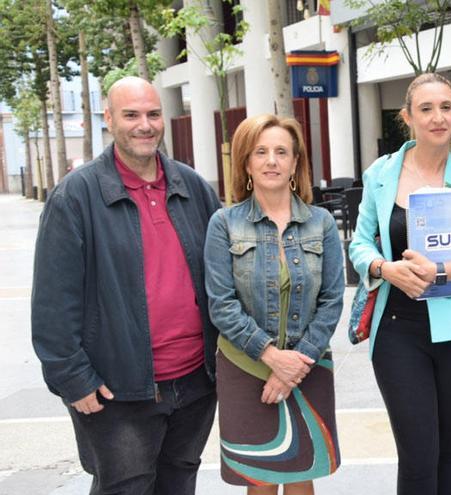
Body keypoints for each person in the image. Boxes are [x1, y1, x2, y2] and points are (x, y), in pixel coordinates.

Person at [31, 76, 222, 494]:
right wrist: (72, 378)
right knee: (126, 487)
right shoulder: (75, 198)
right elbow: (52, 302)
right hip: (117, 390)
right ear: (109, 119)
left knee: (179, 483)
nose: (145, 125)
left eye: (153, 114)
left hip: (194, 381)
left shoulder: (192, 187)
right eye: (131, 114)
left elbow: (223, 274)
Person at [348, 72, 451, 495]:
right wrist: (386, 269)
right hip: (398, 332)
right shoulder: (381, 174)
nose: (437, 117)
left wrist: (439, 272)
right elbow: (360, 243)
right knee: (419, 454)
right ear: (407, 117)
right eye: (426, 109)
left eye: (446, 107)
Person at [204, 114, 345, 494]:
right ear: (246, 163)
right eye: (261, 152)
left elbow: (332, 300)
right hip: (244, 366)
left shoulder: (321, 223)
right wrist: (272, 358)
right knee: (261, 479)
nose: (272, 161)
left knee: (301, 475)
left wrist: (295, 365)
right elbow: (222, 304)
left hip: (308, 363)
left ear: (296, 162)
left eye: (282, 152)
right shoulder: (224, 224)